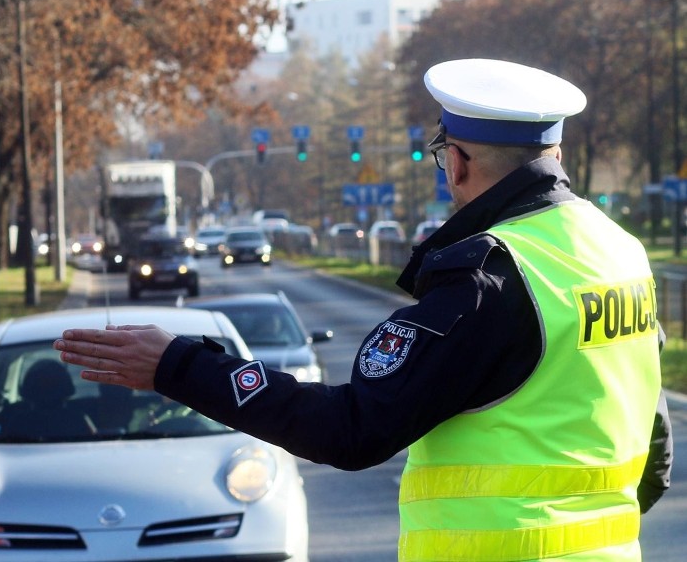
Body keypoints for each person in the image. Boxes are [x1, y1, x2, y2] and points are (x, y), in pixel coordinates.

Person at [55, 59, 672, 560]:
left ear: (454, 162)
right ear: (555, 155)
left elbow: (349, 430)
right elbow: (654, 448)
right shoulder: (618, 250)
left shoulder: (490, 277)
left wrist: (177, 365)